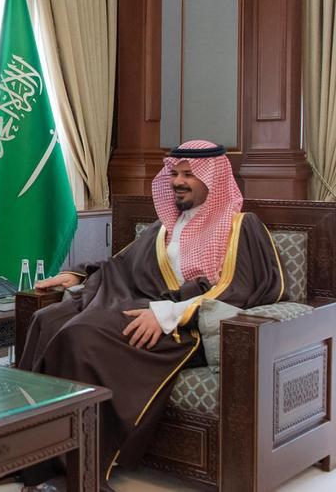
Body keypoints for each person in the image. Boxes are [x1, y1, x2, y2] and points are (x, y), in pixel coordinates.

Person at [17, 141, 285, 486]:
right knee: (47, 319)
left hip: (186, 329)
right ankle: (32, 454)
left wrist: (167, 315)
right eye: (174, 173)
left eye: (188, 174)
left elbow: (239, 289)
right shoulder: (167, 226)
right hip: (146, 309)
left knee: (80, 337)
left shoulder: (240, 226)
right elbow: (122, 264)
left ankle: (80, 468)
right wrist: (78, 275)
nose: (178, 181)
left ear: (213, 178)